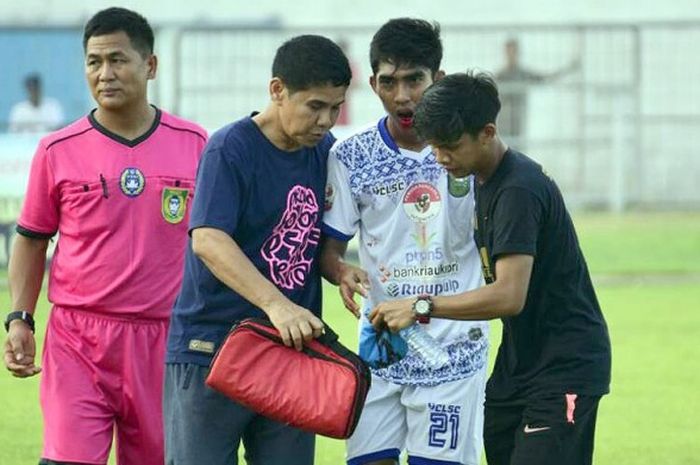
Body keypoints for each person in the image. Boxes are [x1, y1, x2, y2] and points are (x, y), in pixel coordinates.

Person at [372, 71, 612, 465]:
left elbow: (509, 295)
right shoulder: (484, 178)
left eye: (450, 147)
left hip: (565, 369)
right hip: (518, 366)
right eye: (434, 147)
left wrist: (420, 306)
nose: (440, 158)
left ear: (487, 132)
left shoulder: (518, 189)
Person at [3, 7, 207, 465]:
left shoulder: (196, 144)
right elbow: (32, 239)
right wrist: (20, 317)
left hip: (164, 339)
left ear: (150, 65)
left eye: (118, 60)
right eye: (94, 62)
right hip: (79, 338)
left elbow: (215, 244)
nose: (105, 73)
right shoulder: (57, 149)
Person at [164, 34, 351, 465]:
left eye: (335, 107)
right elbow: (208, 239)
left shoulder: (323, 151)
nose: (326, 120)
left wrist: (340, 269)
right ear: (277, 90)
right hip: (211, 346)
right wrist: (277, 305)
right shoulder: (231, 148)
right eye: (315, 106)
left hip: (291, 352)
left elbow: (313, 241)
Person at [320, 19, 489, 465]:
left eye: (414, 79)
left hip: (452, 351)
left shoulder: (470, 154)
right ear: (371, 82)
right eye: (389, 82)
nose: (402, 96)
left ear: (439, 78)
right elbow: (330, 249)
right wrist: (341, 271)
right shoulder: (349, 156)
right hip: (381, 349)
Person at [495, 38, 579, 146]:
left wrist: (568, 69)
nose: (511, 55)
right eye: (509, 51)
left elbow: (546, 78)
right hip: (503, 121)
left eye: (514, 51)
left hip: (518, 119)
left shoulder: (523, 74)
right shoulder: (500, 76)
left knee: (517, 150)